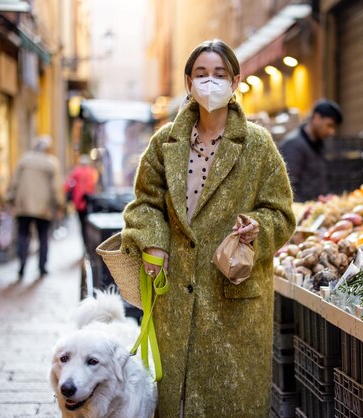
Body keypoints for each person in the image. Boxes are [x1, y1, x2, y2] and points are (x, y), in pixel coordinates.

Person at [120, 39, 296, 417]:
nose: (210, 82)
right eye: (201, 74)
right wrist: (153, 242)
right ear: (188, 82)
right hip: (176, 300)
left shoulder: (258, 145)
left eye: (219, 74)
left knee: (230, 402)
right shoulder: (164, 143)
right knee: (175, 400)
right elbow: (145, 203)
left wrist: (258, 229)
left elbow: (281, 213)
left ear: (235, 82)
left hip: (233, 298)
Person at [6, 135, 63, 278]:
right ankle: (42, 267)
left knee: (22, 235)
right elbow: (55, 187)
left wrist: (10, 199)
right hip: (43, 207)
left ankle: (22, 265)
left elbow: (14, 183)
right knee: (43, 237)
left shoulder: (24, 160)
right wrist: (59, 205)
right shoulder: (51, 163)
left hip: (23, 205)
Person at [278, 99, 343, 202]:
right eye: (329, 125)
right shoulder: (293, 146)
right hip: (301, 212)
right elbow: (286, 188)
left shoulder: (318, 144)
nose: (332, 132)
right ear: (316, 118)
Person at [64, 154, 99, 248]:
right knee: (90, 225)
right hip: (89, 202)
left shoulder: (76, 172)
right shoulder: (92, 172)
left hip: (79, 203)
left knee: (82, 224)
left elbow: (67, 186)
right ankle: (90, 246)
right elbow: (95, 187)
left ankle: (85, 244)